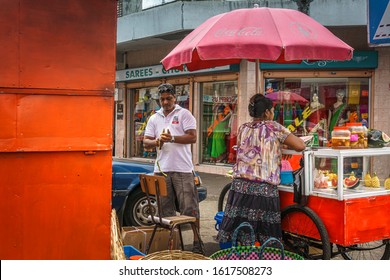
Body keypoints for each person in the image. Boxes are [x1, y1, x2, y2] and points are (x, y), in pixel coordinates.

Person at [217, 94, 305, 246]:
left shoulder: (243, 128)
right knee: (266, 238)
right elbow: (300, 146)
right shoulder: (274, 127)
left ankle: (245, 259)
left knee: (243, 234)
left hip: (239, 188)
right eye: (272, 110)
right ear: (266, 112)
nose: (273, 113)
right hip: (263, 189)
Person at [143, 83, 205, 254]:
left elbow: (192, 137)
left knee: (190, 209)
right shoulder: (154, 118)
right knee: (166, 211)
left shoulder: (184, 114)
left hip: (183, 169)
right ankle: (174, 246)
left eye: (168, 98)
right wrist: (157, 142)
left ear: (175, 98)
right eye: (162, 99)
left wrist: (171, 139)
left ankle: (197, 243)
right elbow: (145, 141)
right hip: (161, 170)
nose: (165, 102)